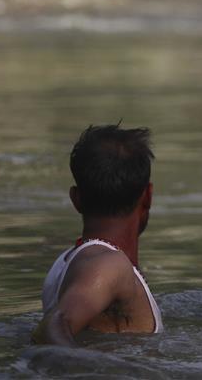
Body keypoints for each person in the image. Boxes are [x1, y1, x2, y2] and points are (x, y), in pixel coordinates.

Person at [33, 124, 163, 346]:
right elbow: (53, 326)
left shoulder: (65, 263)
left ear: (76, 199)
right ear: (148, 196)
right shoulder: (109, 266)